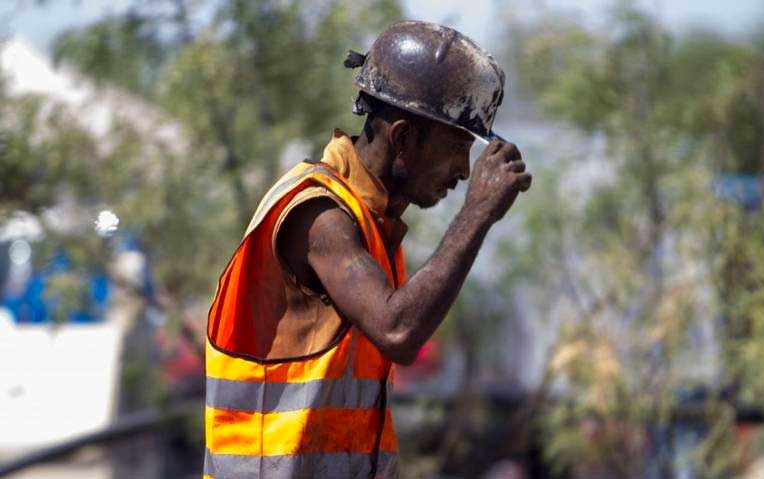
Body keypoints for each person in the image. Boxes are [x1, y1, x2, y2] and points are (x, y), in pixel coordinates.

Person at [203, 20, 532, 479]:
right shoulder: (319, 214)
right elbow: (398, 332)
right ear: (403, 138)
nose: (463, 170)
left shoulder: (371, 224)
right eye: (457, 147)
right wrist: (476, 214)